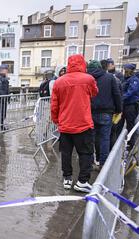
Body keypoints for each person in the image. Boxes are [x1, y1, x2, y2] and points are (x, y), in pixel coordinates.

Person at [51, 54, 98, 193]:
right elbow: (94, 93)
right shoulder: (88, 79)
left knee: (66, 153)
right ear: (83, 63)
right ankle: (82, 181)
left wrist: (56, 120)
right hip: (83, 123)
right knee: (86, 153)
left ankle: (67, 178)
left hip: (65, 124)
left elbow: (54, 105)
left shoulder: (59, 82)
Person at [87, 60, 122, 169]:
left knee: (91, 139)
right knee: (105, 139)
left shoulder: (87, 78)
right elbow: (116, 94)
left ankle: (91, 162)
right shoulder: (110, 77)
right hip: (106, 112)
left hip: (90, 112)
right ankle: (103, 164)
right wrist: (118, 109)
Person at [120, 64, 139, 151]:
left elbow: (131, 91)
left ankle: (130, 144)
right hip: (124, 105)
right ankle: (120, 142)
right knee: (119, 125)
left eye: (126, 69)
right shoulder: (125, 79)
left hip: (130, 106)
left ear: (130, 70)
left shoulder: (134, 80)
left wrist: (121, 98)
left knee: (130, 125)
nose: (124, 71)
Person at [0, 64, 10, 130]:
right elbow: (0, 90)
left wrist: (8, 98)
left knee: (3, 113)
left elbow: (7, 89)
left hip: (4, 99)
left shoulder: (4, 78)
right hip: (1, 99)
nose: (7, 71)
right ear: (3, 70)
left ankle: (1, 125)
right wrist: (5, 97)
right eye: (6, 70)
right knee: (0, 113)